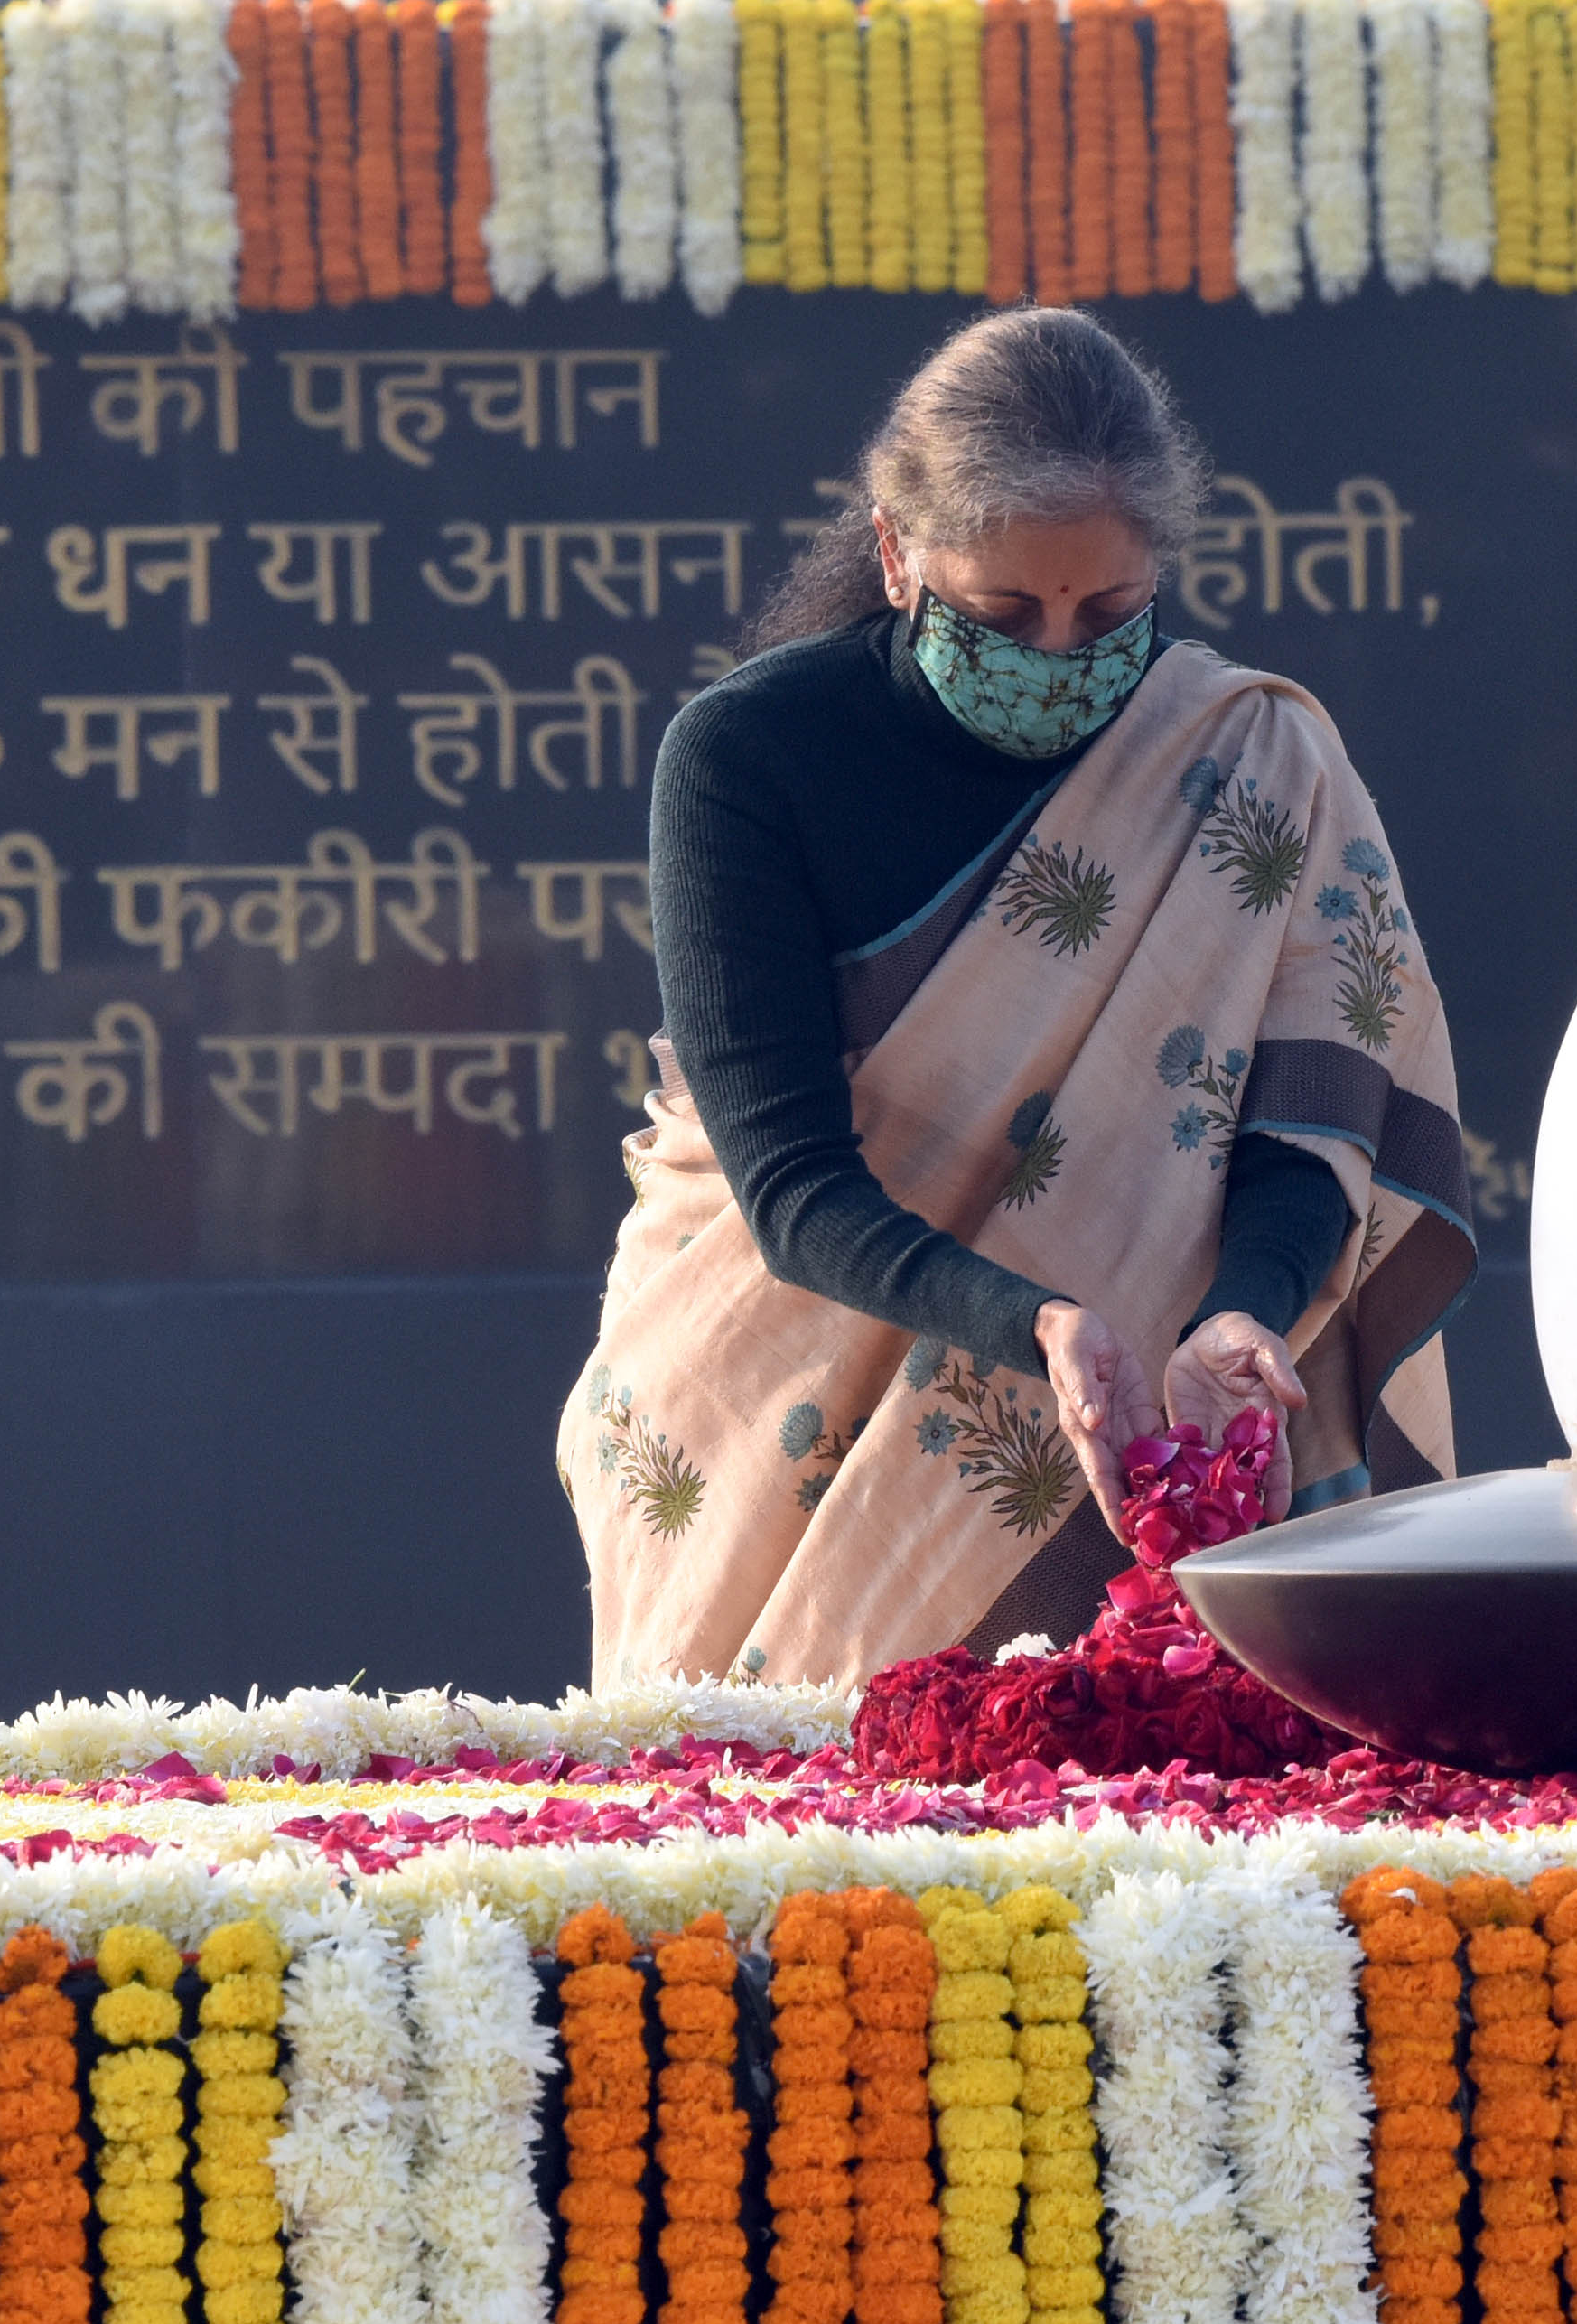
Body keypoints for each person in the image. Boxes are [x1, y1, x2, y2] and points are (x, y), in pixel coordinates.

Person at [569, 303, 1473, 1689]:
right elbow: (794, 1190)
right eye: (1002, 614)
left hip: (1152, 1428)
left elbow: (1312, 1112)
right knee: (773, 1870)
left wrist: (1239, 1313)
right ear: (895, 553)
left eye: (1105, 613)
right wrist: (1042, 1324)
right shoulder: (745, 759)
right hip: (769, 1415)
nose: (1057, 654)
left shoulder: (1251, 758)